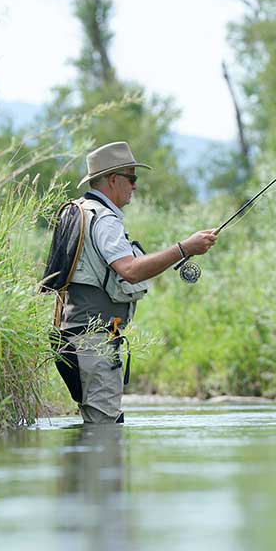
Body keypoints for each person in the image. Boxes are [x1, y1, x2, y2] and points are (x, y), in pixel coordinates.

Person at [54, 141, 217, 424]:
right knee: (105, 433)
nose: (135, 186)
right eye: (132, 178)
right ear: (113, 180)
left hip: (75, 338)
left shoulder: (80, 211)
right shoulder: (104, 220)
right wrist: (184, 248)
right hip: (94, 343)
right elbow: (129, 270)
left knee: (97, 432)